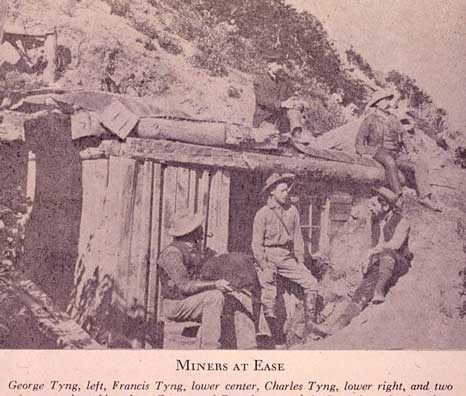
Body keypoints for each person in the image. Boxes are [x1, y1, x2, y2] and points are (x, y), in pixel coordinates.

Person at [317, 187, 413, 336]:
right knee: (361, 292)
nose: (370, 209)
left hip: (399, 263)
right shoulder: (376, 222)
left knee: (388, 253)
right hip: (382, 264)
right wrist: (368, 259)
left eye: (374, 205)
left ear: (386, 206)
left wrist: (373, 251)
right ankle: (336, 326)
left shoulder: (403, 221)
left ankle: (379, 291)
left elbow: (395, 245)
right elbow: (373, 245)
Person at [158, 209, 256, 349]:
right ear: (191, 232)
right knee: (214, 297)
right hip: (176, 304)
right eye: (198, 226)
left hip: (192, 300)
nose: (201, 228)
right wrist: (215, 285)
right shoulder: (172, 253)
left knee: (240, 297)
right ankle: (210, 349)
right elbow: (185, 286)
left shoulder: (194, 250)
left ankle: (248, 347)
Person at [251, 173, 322, 347]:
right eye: (282, 190)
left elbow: (298, 239)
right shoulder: (263, 214)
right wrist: (264, 265)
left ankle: (310, 328)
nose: (286, 194)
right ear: (272, 192)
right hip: (267, 257)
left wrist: (300, 262)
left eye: (287, 190)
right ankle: (274, 340)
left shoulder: (293, 211)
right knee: (269, 297)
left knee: (312, 283)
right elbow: (256, 244)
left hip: (286, 257)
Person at [355, 90, 441, 212]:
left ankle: (424, 196)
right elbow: (359, 139)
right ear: (377, 103)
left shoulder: (393, 118)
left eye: (387, 99)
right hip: (378, 150)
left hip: (396, 153)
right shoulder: (370, 119)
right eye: (384, 100)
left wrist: (410, 152)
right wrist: (363, 153)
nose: (387, 102)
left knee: (419, 162)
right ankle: (398, 195)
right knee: (390, 162)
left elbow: (404, 136)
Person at [252, 55, 307, 137]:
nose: (280, 67)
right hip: (265, 118)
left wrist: (299, 104)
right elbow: (262, 100)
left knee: (294, 109)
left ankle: (297, 135)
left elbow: (291, 98)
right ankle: (281, 134)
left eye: (281, 64)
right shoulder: (260, 80)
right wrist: (282, 104)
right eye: (278, 64)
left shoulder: (283, 83)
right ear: (269, 65)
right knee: (270, 137)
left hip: (280, 119)